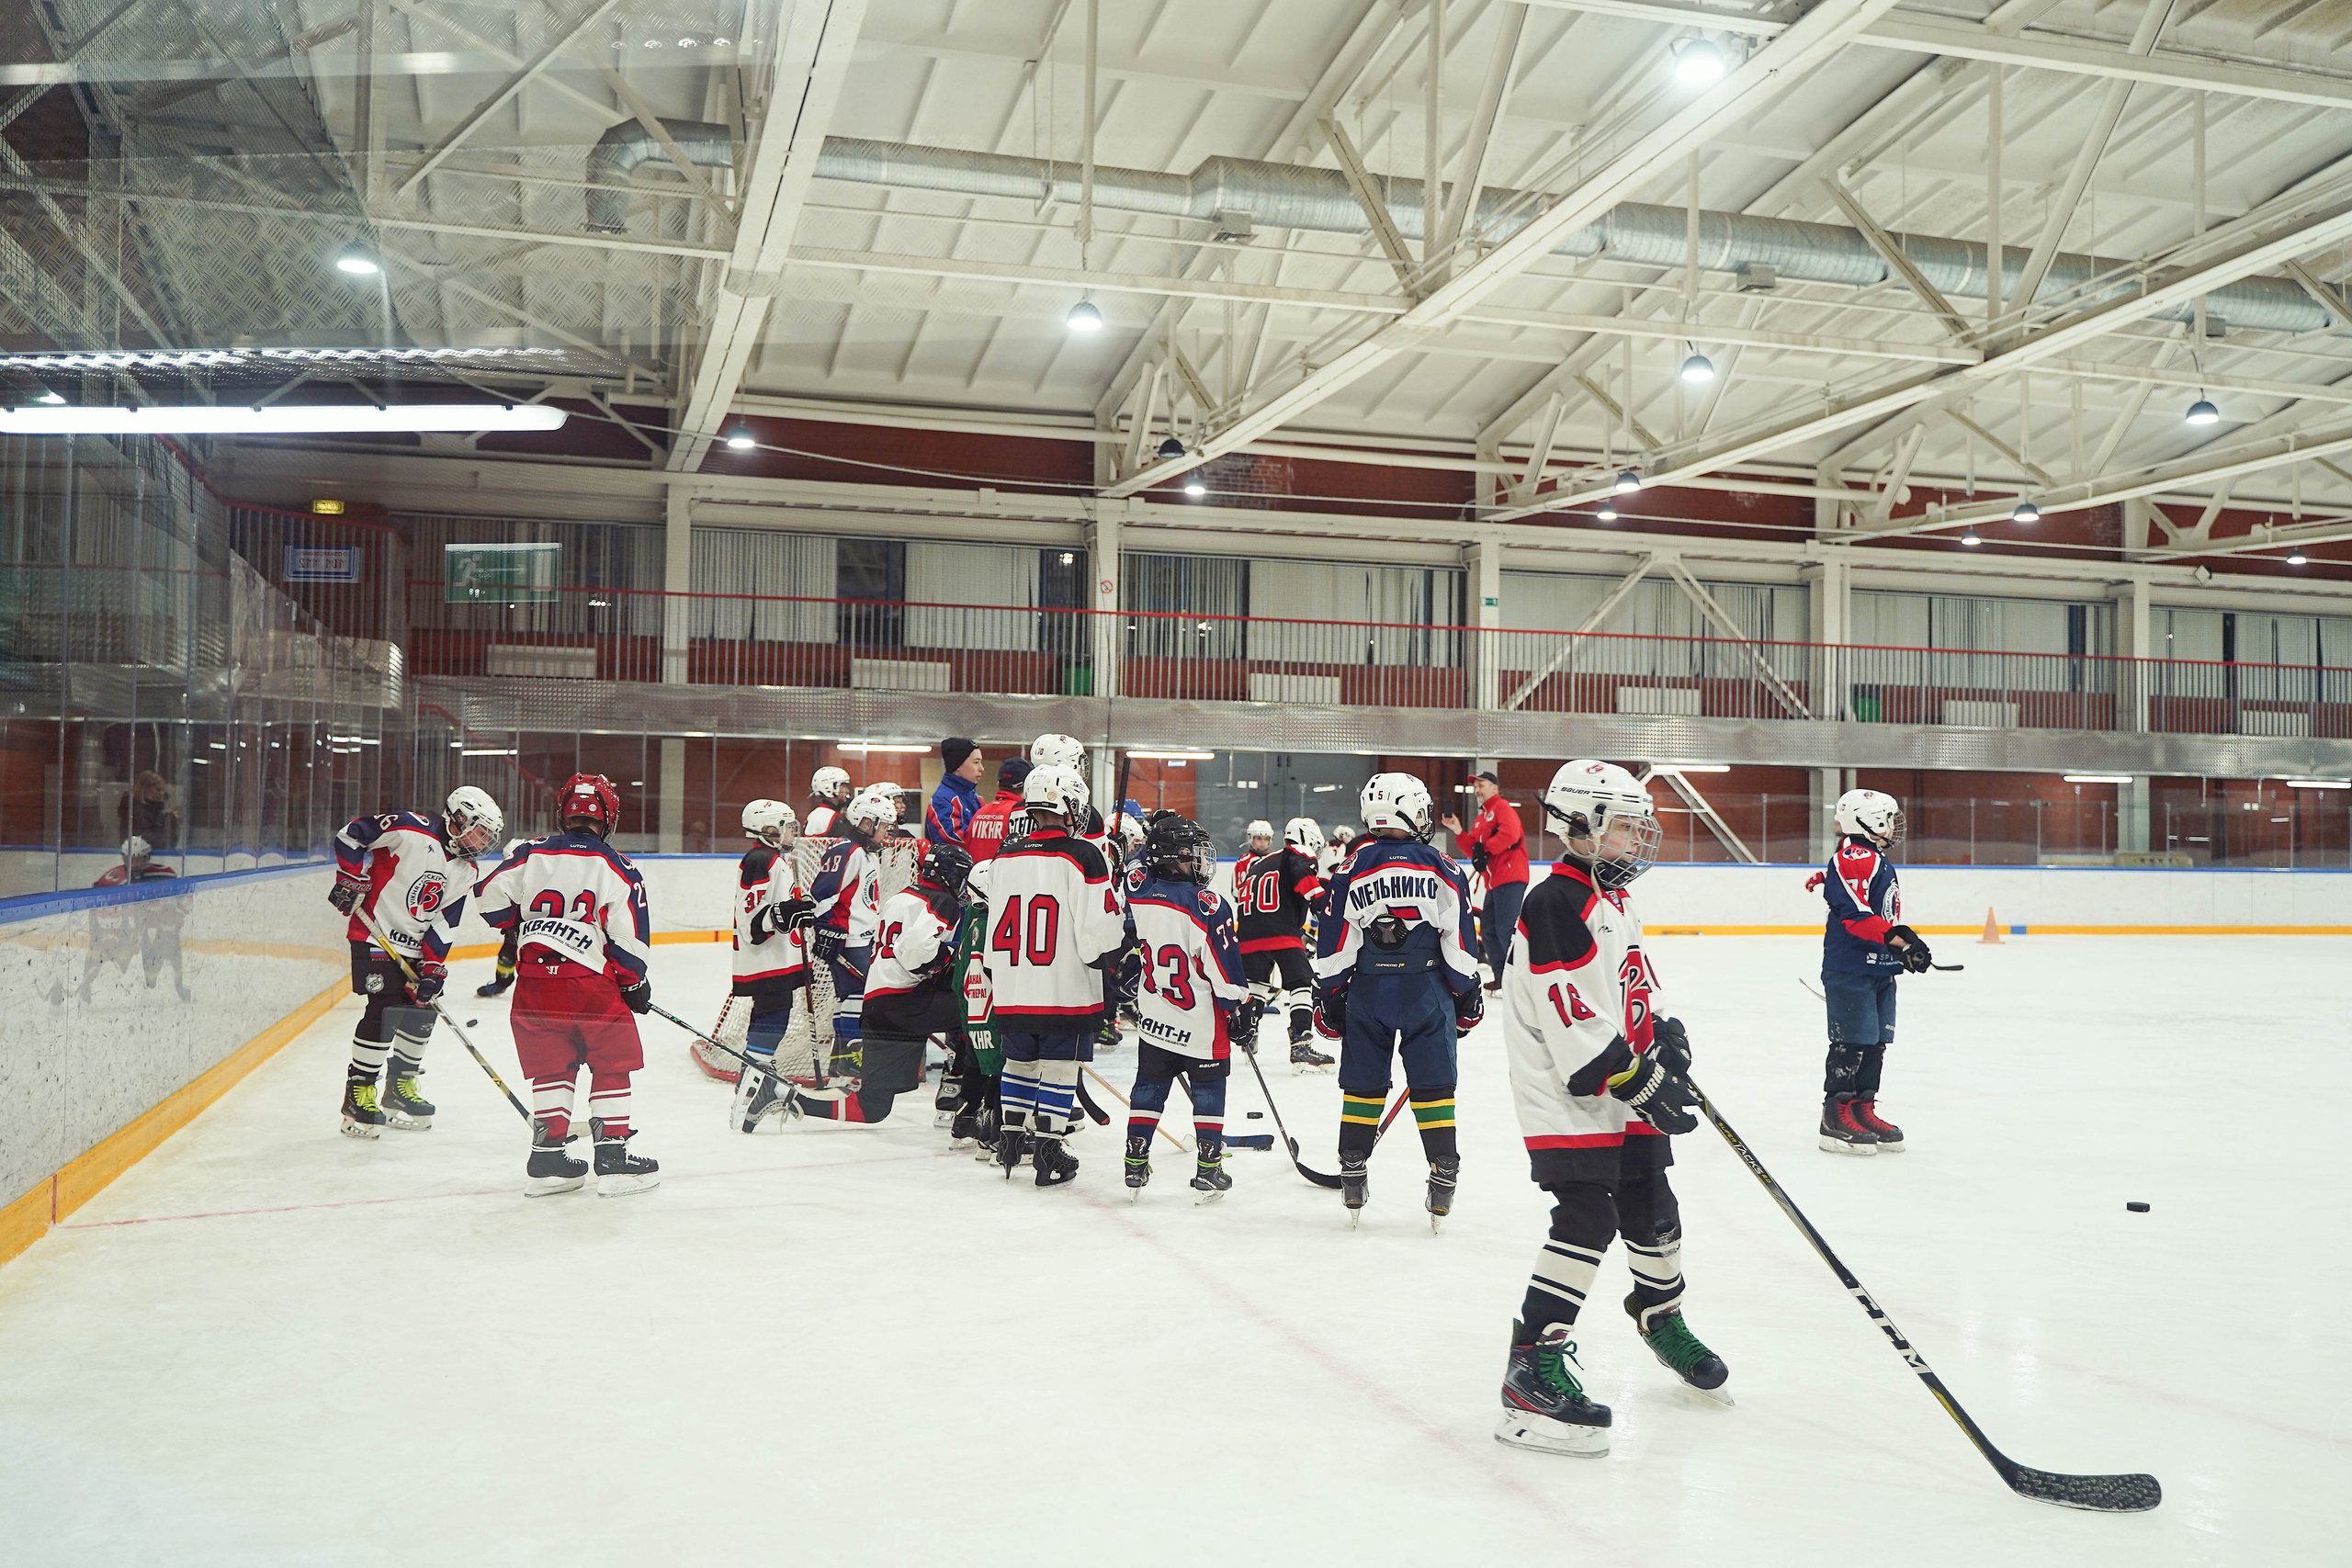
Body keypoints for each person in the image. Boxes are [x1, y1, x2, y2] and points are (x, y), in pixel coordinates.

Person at [1493, 761, 1728, 1458]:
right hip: (1567, 1094)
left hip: (1618, 1085)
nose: (1637, 839)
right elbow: (1574, 1020)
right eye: (1625, 825)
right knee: (1588, 1215)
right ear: (1581, 825)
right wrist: (1640, 1078)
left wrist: (1665, 1035)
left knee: (1653, 1204)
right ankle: (1528, 1371)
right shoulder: (1556, 903)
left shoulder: (1615, 899)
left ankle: (1661, 1318)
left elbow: (1633, 989)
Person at [435, 773, 659, 1199]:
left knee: (551, 1064)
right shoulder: (620, 866)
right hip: (590, 984)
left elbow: (489, 899)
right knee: (613, 1060)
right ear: (608, 816)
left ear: (564, 813)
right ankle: (612, 1155)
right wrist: (633, 982)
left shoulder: (530, 852)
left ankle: (548, 1156)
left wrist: (528, 923)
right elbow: (630, 940)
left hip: (535, 983)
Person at [1312, 773, 1482, 1225]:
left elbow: (1334, 947)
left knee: (1364, 1082)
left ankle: (1352, 1167)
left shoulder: (1349, 868)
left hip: (1368, 991)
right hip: (1426, 990)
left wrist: (1329, 998)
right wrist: (1467, 997)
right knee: (1433, 1084)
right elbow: (1459, 946)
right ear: (1409, 811)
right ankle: (1443, 1171)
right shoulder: (1443, 867)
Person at [327, 785, 503, 1137]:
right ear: (459, 818)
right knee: (385, 1008)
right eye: (481, 830)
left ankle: (400, 1088)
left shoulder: (467, 871)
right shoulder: (410, 828)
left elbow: (445, 920)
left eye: (488, 835)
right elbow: (351, 836)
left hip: (415, 947)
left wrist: (434, 966)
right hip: (373, 933)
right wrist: (349, 876)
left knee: (422, 1011)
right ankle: (359, 1093)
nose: (483, 841)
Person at [983, 763, 1125, 1187]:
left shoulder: (1005, 854)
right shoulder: (1083, 854)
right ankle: (1048, 1148)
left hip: (1012, 984)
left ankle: (1010, 1139)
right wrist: (1114, 956)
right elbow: (1097, 933)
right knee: (1061, 1066)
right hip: (1065, 988)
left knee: (1019, 1062)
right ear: (1066, 806)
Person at [791, 840, 974, 1127]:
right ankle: (959, 1096)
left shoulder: (902, 896)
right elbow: (915, 954)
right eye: (961, 878)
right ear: (949, 876)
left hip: (878, 1007)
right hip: (907, 1005)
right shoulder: (943, 902)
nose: (962, 886)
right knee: (979, 1011)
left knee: (871, 1107)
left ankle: (787, 1097)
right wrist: (949, 958)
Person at [1119, 813, 1247, 1201]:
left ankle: (1134, 1160)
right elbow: (1224, 973)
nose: (1202, 862)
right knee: (1209, 1087)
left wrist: (1148, 838)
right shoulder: (1208, 906)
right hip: (1201, 1022)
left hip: (1155, 1016)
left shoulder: (1138, 887)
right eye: (1193, 855)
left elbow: (1137, 865)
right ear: (1174, 858)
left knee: (1149, 1086)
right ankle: (1209, 1168)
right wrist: (1239, 1007)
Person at [1811, 788, 1930, 1155]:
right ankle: (1835, 1116)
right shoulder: (1856, 855)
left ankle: (1862, 1109)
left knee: (1875, 1041)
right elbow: (1856, 916)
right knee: (1852, 1041)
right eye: (1889, 818)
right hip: (1851, 967)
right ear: (1869, 820)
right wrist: (1902, 942)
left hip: (1879, 967)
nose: (1895, 825)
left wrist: (1901, 948)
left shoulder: (1871, 856)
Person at [726, 799, 816, 1132]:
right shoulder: (760, 859)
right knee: (773, 1013)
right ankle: (752, 1091)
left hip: (774, 958)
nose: (793, 831)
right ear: (768, 830)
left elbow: (774, 909)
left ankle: (757, 1085)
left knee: (773, 1013)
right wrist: (784, 913)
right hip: (765, 960)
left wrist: (794, 908)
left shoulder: (774, 859)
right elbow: (753, 919)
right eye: (787, 824)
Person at [1232, 818, 1335, 1072]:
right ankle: (1300, 1042)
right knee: (1302, 983)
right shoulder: (1298, 852)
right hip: (1281, 932)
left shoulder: (1259, 863)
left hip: (1246, 934)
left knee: (1255, 984)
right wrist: (1322, 906)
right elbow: (1305, 880)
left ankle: (1249, 1033)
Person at [808, 782, 899, 1058]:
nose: (886, 833)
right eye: (883, 826)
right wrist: (826, 930)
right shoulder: (848, 850)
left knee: (851, 996)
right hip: (848, 938)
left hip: (861, 937)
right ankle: (851, 1054)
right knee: (858, 995)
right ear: (866, 823)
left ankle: (842, 1055)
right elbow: (822, 893)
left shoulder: (867, 853)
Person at [1442, 771, 1529, 993]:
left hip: (1510, 876)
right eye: (1476, 786)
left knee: (1504, 929)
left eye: (1483, 784)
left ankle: (1518, 978)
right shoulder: (1481, 819)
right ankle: (1502, 976)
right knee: (1489, 931)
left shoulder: (1502, 808)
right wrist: (1458, 830)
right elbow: (1473, 849)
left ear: (1495, 788)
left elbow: (1510, 835)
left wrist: (1485, 849)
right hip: (1495, 881)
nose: (1478, 789)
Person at [81, 837, 190, 1001]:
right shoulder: (113, 879)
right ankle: (86, 986)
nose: (136, 864)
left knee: (170, 944)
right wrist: (104, 930)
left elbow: (182, 897)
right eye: (131, 860)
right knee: (98, 951)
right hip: (121, 925)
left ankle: (175, 985)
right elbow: (95, 903)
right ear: (124, 858)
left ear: (147, 858)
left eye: (139, 859)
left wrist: (174, 917)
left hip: (146, 925)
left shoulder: (164, 874)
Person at [474, 836, 536, 998]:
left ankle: (537, 990)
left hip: (535, 925)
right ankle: (501, 983)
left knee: (535, 958)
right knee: (506, 954)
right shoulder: (507, 876)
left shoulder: (539, 875)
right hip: (515, 924)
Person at [964, 756, 1031, 863]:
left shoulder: (979, 814)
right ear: (1028, 787)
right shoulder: (1021, 815)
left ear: (998, 784)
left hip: (976, 877)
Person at [928, 738, 985, 846]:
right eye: (976, 762)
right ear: (958, 765)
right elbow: (954, 837)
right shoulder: (942, 799)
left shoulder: (977, 798)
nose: (981, 768)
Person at [804, 765, 854, 838]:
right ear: (828, 787)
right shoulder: (824, 816)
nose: (847, 791)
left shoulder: (825, 814)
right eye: (843, 786)